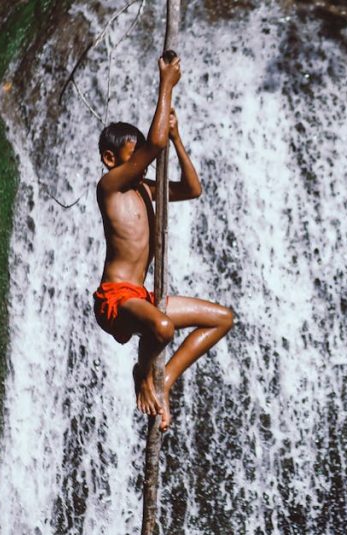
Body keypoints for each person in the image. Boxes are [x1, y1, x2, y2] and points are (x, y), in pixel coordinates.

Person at [92, 52, 233, 430]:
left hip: (143, 299)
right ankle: (142, 372)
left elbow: (192, 188)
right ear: (110, 159)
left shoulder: (146, 189)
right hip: (117, 299)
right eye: (132, 155)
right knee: (164, 328)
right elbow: (153, 147)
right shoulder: (111, 186)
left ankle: (164, 380)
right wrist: (166, 84)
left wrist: (177, 138)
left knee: (222, 319)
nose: (142, 161)